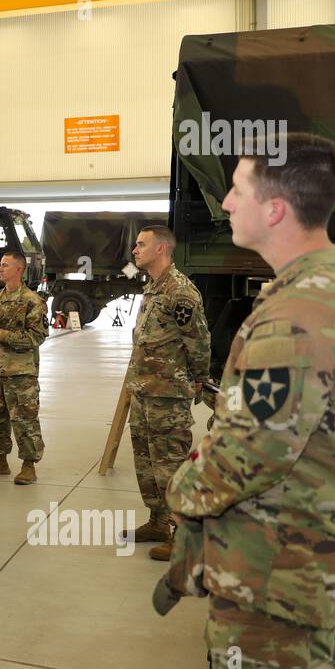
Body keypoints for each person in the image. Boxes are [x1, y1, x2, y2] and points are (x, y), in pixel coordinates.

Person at [165, 134, 335, 669]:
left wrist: (180, 493)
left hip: (283, 569)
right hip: (310, 549)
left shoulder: (299, 315)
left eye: (237, 190)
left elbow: (248, 455)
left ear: (274, 209)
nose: (224, 203)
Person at [125, 224, 210, 560]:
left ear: (160, 249)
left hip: (168, 394)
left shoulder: (180, 292)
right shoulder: (153, 288)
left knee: (170, 464)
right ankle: (158, 521)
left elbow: (199, 341)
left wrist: (198, 378)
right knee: (146, 462)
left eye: (141, 244)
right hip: (144, 388)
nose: (135, 250)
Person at [0, 250, 48, 483]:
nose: (0, 269)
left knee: (25, 420)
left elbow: (39, 336)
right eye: (0, 265)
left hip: (21, 373)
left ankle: (29, 465)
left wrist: (5, 335)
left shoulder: (32, 301)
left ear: (18, 269)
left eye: (5, 265)